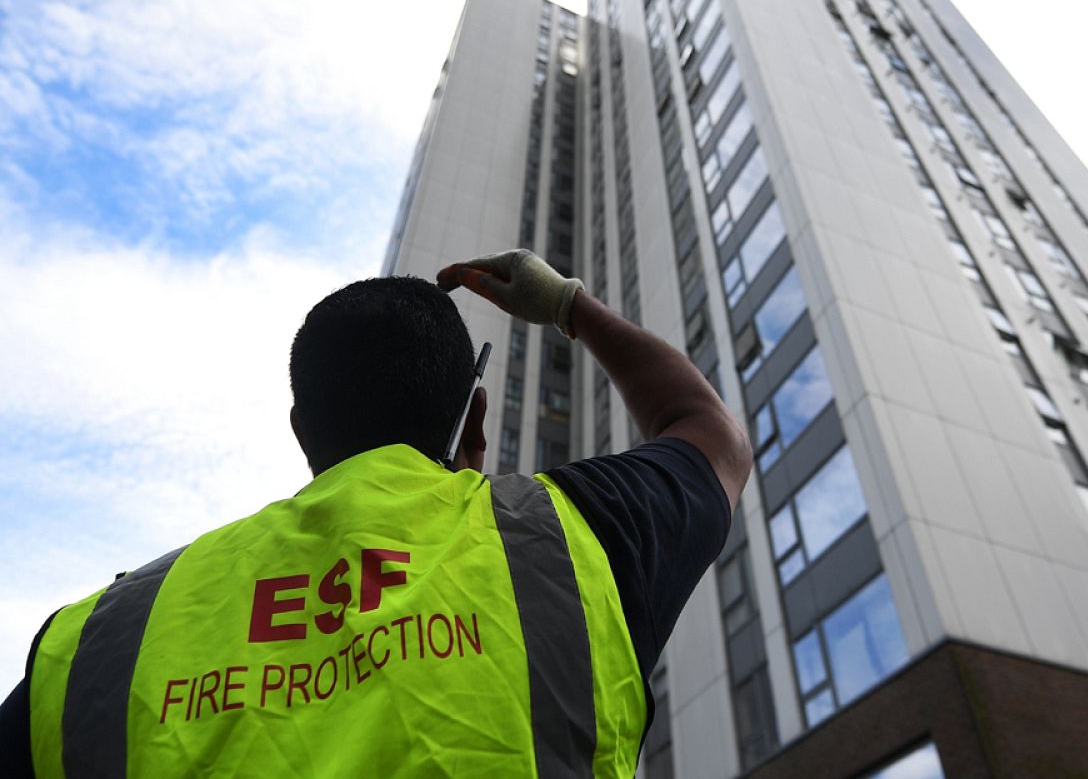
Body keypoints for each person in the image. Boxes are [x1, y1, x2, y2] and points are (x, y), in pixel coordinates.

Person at [0, 249, 751, 777]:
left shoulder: (90, 645)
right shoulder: (573, 539)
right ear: (473, 421)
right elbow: (709, 434)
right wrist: (565, 303)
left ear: (301, 430)